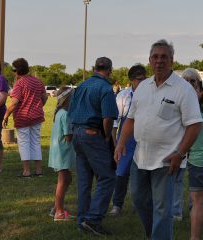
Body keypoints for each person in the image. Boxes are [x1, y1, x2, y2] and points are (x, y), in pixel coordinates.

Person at [114, 39, 202, 240]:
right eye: (155, 57)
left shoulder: (183, 89)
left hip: (167, 159)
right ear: (149, 61)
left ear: (172, 60)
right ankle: (154, 234)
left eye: (164, 57)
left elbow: (195, 125)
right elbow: (131, 119)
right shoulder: (143, 87)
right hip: (141, 157)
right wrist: (120, 143)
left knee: (163, 209)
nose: (159, 61)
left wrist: (180, 153)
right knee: (138, 200)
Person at [68, 57, 118, 236]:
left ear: (94, 68)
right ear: (110, 69)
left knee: (84, 180)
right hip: (92, 134)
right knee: (107, 177)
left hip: (77, 133)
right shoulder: (105, 88)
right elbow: (108, 118)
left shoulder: (82, 86)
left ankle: (82, 219)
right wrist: (106, 137)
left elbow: (70, 111)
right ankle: (93, 219)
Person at [109, 64, 146, 216]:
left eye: (144, 79)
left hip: (144, 140)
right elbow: (115, 123)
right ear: (131, 80)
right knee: (121, 174)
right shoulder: (123, 96)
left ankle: (142, 205)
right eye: (139, 80)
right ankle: (117, 205)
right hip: (127, 141)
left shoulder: (150, 94)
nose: (142, 82)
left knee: (144, 175)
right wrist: (116, 144)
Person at [2, 58, 48, 177]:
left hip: (23, 117)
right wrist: (38, 106)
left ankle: (26, 171)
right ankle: (38, 171)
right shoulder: (38, 81)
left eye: (13, 69)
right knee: (35, 142)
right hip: (37, 116)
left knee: (24, 143)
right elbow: (44, 97)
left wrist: (6, 115)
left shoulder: (20, 83)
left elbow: (14, 102)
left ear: (17, 71)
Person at [181, 68, 203, 240]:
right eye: (185, 82)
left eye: (192, 82)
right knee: (197, 202)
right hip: (195, 160)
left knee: (197, 202)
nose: (188, 86)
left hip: (196, 160)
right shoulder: (180, 106)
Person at [48, 86, 76, 221]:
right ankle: (59, 212)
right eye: (73, 97)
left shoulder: (59, 112)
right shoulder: (65, 114)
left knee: (67, 179)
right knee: (63, 181)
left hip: (59, 152)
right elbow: (68, 136)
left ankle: (56, 208)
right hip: (63, 153)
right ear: (67, 100)